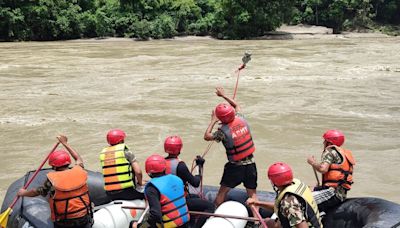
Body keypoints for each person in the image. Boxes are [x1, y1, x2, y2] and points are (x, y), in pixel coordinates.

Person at [17, 135, 93, 228]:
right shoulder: (79, 171)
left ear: (53, 166)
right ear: (68, 162)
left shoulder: (52, 180)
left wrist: (23, 193)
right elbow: (78, 159)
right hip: (84, 218)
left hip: (64, 222)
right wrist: (65, 143)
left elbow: (36, 192)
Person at [204, 87, 257, 206]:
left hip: (235, 167)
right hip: (251, 165)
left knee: (221, 193)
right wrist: (223, 95)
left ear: (220, 118)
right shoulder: (241, 118)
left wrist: (212, 120)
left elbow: (207, 136)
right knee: (252, 195)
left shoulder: (222, 132)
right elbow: (237, 105)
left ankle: (216, 214)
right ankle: (257, 222)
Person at [246, 162, 323, 228]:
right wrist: (257, 203)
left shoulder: (288, 202)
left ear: (274, 182)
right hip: (314, 223)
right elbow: (281, 208)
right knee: (267, 222)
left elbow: (302, 226)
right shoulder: (297, 184)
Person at [163, 135, 215, 227]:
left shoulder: (161, 163)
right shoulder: (180, 165)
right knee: (210, 206)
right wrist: (199, 166)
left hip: (165, 200)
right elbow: (195, 183)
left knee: (194, 197)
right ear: (179, 149)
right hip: (179, 201)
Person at [133, 154, 190, 228]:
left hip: (170, 226)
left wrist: (141, 226)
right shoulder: (177, 179)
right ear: (164, 167)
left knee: (133, 224)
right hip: (185, 223)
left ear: (148, 172)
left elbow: (156, 215)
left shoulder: (151, 188)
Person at [307, 129, 355, 212]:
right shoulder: (344, 153)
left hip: (332, 193)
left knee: (301, 200)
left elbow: (323, 169)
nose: (323, 143)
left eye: (325, 140)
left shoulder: (330, 151)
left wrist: (313, 163)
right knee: (309, 188)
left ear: (329, 142)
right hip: (341, 194)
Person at [100, 129, 144, 201]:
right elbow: (138, 172)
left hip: (110, 194)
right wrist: (140, 183)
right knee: (149, 195)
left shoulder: (103, 154)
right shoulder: (126, 152)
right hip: (127, 192)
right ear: (120, 141)